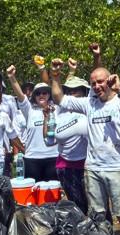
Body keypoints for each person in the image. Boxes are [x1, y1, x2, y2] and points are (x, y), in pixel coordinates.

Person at [52, 59, 120, 235]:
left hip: (117, 168)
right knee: (98, 216)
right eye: (93, 83)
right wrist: (55, 76)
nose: (97, 86)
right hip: (93, 168)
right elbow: (59, 98)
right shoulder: (89, 104)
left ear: (110, 80)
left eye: (101, 81)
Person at [43, 75, 90, 213]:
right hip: (65, 167)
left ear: (84, 91)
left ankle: (102, 233)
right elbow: (49, 141)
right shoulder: (57, 111)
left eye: (76, 90)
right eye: (69, 90)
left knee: (96, 207)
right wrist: (46, 118)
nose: (72, 93)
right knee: (77, 207)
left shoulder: (89, 107)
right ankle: (83, 233)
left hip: (88, 166)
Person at [7, 66, 59, 181]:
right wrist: (11, 77)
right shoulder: (29, 110)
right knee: (33, 195)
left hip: (53, 157)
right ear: (34, 96)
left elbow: (57, 88)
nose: (41, 95)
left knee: (52, 195)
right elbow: (20, 95)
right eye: (38, 93)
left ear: (49, 95)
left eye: (45, 93)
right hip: (32, 159)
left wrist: (44, 69)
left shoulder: (56, 109)